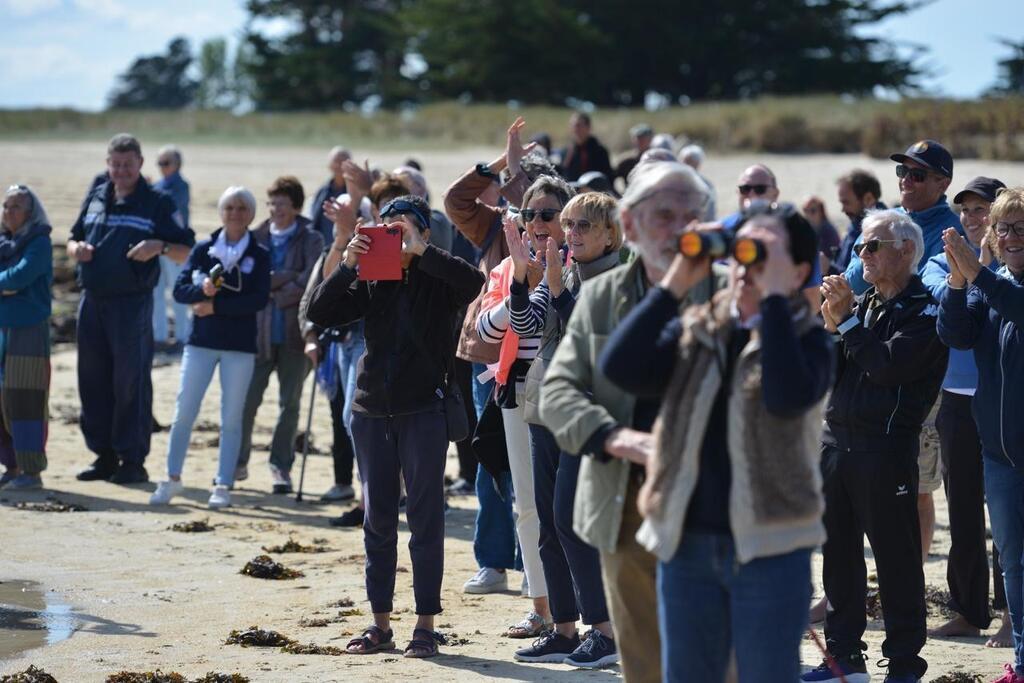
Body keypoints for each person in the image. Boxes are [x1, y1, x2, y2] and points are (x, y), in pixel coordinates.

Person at [603, 203, 832, 683]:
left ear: (800, 272)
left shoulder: (809, 341)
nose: (747, 267)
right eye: (743, 251)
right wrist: (676, 283)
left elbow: (785, 395)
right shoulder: (700, 329)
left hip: (770, 549)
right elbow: (620, 367)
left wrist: (772, 298)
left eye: (763, 253)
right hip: (687, 544)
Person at [539, 161, 717, 683]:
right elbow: (559, 391)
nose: (680, 226)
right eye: (664, 214)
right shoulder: (599, 295)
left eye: (693, 214)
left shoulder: (735, 289)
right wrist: (617, 438)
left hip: (715, 503)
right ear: (634, 225)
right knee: (645, 658)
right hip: (622, 496)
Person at [306, 194, 485, 659]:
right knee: (377, 521)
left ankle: (426, 624)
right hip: (371, 410)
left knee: (426, 519)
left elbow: (474, 281)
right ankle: (380, 623)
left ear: (426, 232)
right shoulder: (373, 276)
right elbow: (319, 312)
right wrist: (348, 261)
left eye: (405, 226)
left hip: (424, 409)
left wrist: (419, 252)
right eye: (388, 226)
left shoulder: (439, 276)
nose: (396, 233)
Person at [804, 210, 948, 683]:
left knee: (896, 562)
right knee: (838, 559)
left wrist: (846, 325)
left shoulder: (925, 309)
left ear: (906, 251)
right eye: (858, 247)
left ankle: (905, 664)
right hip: (837, 444)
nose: (859, 255)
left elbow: (888, 367)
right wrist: (830, 328)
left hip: (884, 450)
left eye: (871, 247)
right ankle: (845, 655)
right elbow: (833, 372)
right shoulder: (866, 305)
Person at [443, 117, 557, 596]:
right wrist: (495, 164)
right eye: (517, 192)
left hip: (543, 363)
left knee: (538, 473)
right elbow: (455, 201)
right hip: (490, 358)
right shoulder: (493, 228)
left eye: (540, 207)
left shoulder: (564, 238)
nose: (532, 217)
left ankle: (540, 571)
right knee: (492, 462)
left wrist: (519, 171)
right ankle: (493, 561)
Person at [509, 191, 622, 667]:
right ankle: (563, 629)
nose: (570, 234)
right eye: (569, 225)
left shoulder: (622, 279)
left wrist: (557, 289)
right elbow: (525, 323)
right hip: (545, 409)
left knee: (573, 523)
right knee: (549, 528)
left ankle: (605, 630)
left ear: (610, 234)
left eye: (582, 227)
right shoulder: (565, 269)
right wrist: (520, 277)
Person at [477, 174, 576, 639]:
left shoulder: (582, 264)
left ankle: (585, 611)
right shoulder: (508, 267)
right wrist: (519, 275)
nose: (537, 222)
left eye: (548, 214)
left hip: (573, 397)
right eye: (529, 214)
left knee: (573, 507)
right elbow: (488, 331)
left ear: (569, 220)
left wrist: (548, 280)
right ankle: (543, 608)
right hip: (516, 395)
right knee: (529, 507)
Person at [68, 133, 195, 485]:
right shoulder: (97, 194)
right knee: (92, 381)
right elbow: (72, 236)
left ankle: (132, 459)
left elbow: (187, 249)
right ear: (108, 164)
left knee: (130, 382)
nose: (121, 171)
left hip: (132, 303)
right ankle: (103, 455)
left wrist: (159, 246)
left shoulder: (157, 202)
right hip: (92, 300)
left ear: (140, 164)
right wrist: (76, 247)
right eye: (116, 164)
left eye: (128, 164)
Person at [938, 187, 1024, 683]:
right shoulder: (989, 285)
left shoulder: (999, 287)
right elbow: (956, 335)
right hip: (999, 455)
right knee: (1013, 563)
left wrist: (979, 274)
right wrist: (956, 281)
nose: (1010, 238)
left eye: (1020, 228)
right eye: (1003, 228)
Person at [923, 176, 1011, 646]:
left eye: (982, 211)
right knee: (961, 509)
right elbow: (943, 302)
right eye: (966, 211)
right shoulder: (940, 261)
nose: (973, 219)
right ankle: (968, 609)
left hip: (1004, 400)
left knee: (1008, 511)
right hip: (956, 399)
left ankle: (1009, 612)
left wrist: (984, 272)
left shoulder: (1013, 266)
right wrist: (971, 273)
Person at [149, 186, 271, 509]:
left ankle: (223, 483)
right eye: (229, 207)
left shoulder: (259, 256)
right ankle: (172, 478)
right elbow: (179, 290)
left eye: (242, 208)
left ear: (251, 214)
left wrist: (217, 308)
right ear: (221, 212)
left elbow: (258, 300)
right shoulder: (204, 249)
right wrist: (201, 291)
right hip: (201, 343)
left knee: (231, 417)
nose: (235, 213)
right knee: (183, 412)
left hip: (239, 347)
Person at [237, 176, 324, 494]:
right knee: (247, 402)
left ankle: (280, 466)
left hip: (295, 336)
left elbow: (311, 281)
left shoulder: (311, 238)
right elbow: (249, 280)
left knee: (290, 404)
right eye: (272, 203)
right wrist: (275, 283)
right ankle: (237, 462)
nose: (276, 209)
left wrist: (275, 287)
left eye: (282, 204)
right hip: (257, 336)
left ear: (296, 207)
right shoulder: (255, 237)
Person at [0, 186, 53, 490]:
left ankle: (31, 472)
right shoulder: (3, 241)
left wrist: (10, 284)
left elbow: (21, 276)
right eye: (6, 206)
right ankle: (11, 465)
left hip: (29, 331)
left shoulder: (39, 242)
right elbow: (11, 281)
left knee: (26, 401)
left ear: (31, 213)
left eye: (16, 206)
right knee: (1, 401)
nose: (9, 212)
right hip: (2, 328)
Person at [152, 145, 192, 351]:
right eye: (160, 163)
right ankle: (158, 337)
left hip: (175, 247)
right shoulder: (159, 186)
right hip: (156, 247)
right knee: (157, 293)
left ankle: (183, 336)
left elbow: (170, 206)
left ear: (177, 164)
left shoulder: (180, 186)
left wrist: (149, 191)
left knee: (178, 293)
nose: (162, 167)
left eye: (166, 163)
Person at [833, 170, 885, 273]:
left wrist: (829, 268)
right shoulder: (855, 223)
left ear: (868, 199)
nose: (843, 209)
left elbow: (863, 276)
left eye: (846, 202)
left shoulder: (882, 230)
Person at [309, 146, 351, 244]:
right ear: (329, 165)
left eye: (343, 161)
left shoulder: (354, 191)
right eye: (336, 161)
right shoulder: (323, 191)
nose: (339, 165)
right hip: (323, 245)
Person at [720, 164, 780, 231]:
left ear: (775, 194)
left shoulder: (786, 226)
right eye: (745, 189)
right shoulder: (728, 224)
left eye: (760, 189)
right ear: (738, 192)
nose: (752, 194)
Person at [557, 111, 613, 182]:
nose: (575, 129)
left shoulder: (600, 151)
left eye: (578, 125)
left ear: (588, 127)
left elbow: (608, 178)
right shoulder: (565, 152)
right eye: (572, 125)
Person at [678, 144, 716, 220]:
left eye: (691, 162)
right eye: (685, 161)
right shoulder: (673, 181)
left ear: (698, 164)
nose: (688, 165)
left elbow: (710, 212)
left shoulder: (706, 185)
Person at [612, 124, 653, 190]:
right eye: (638, 138)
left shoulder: (658, 159)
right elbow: (611, 178)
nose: (640, 141)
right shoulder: (626, 161)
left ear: (650, 139)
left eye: (643, 138)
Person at [802, 195, 841, 264]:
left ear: (821, 212)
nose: (808, 214)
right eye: (805, 210)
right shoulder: (807, 228)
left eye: (812, 211)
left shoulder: (829, 232)